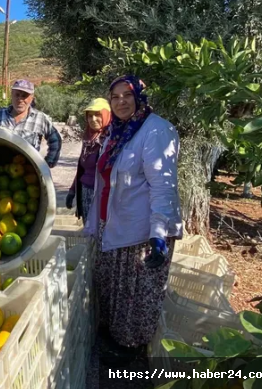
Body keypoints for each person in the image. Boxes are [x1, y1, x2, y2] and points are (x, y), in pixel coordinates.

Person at [84, 75, 182, 358]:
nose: (121, 101)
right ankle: (117, 339)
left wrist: (159, 233)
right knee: (115, 289)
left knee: (135, 296)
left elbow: (163, 186)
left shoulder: (155, 131)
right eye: (114, 97)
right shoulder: (117, 132)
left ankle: (131, 353)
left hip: (143, 231)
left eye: (127, 94)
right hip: (115, 224)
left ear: (139, 96)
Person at [0, 79, 62, 168]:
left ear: (32, 98)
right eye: (17, 95)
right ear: (11, 95)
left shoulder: (40, 118)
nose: (20, 99)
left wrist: (48, 163)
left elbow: (55, 140)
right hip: (0, 170)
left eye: (24, 96)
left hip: (29, 173)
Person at [65, 98, 111, 221]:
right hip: (85, 193)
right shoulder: (88, 139)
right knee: (90, 234)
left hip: (102, 196)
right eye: (90, 116)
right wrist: (72, 191)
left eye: (97, 115)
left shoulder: (110, 140)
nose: (93, 119)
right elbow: (82, 168)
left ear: (107, 115)